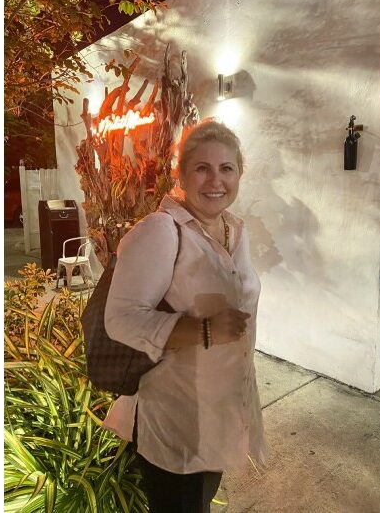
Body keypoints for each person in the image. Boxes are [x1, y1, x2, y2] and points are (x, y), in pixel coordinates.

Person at [103, 118, 268, 512]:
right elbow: (120, 319)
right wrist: (203, 330)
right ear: (181, 174)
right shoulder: (161, 231)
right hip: (178, 418)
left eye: (226, 168)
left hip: (221, 410)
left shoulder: (233, 230)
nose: (216, 180)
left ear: (239, 174)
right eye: (202, 168)